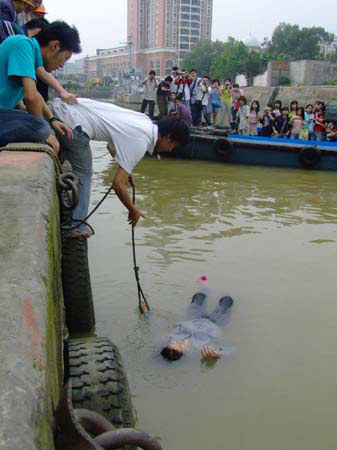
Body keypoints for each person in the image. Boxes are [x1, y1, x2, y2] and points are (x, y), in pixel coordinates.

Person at [51, 99, 190, 235]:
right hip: (71, 123)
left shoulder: (144, 121)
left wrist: (125, 168)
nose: (170, 150)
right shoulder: (142, 141)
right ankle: (77, 225)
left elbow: (111, 145)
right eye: (173, 146)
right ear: (169, 137)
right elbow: (118, 185)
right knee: (85, 173)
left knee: (81, 166)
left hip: (61, 109)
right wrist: (132, 209)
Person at [0, 21, 80, 152]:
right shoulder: (23, 45)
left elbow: (35, 94)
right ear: (55, 45)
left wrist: (52, 119)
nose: (62, 65)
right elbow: (30, 97)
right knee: (42, 128)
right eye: (65, 58)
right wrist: (42, 132)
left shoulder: (32, 57)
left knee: (43, 125)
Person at [160, 292, 234, 362]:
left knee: (199, 296)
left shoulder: (170, 339)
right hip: (215, 324)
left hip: (194, 319)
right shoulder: (200, 351)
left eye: (175, 342)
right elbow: (233, 351)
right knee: (227, 300)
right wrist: (218, 354)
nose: (179, 341)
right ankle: (228, 292)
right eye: (181, 345)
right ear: (184, 353)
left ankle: (205, 286)